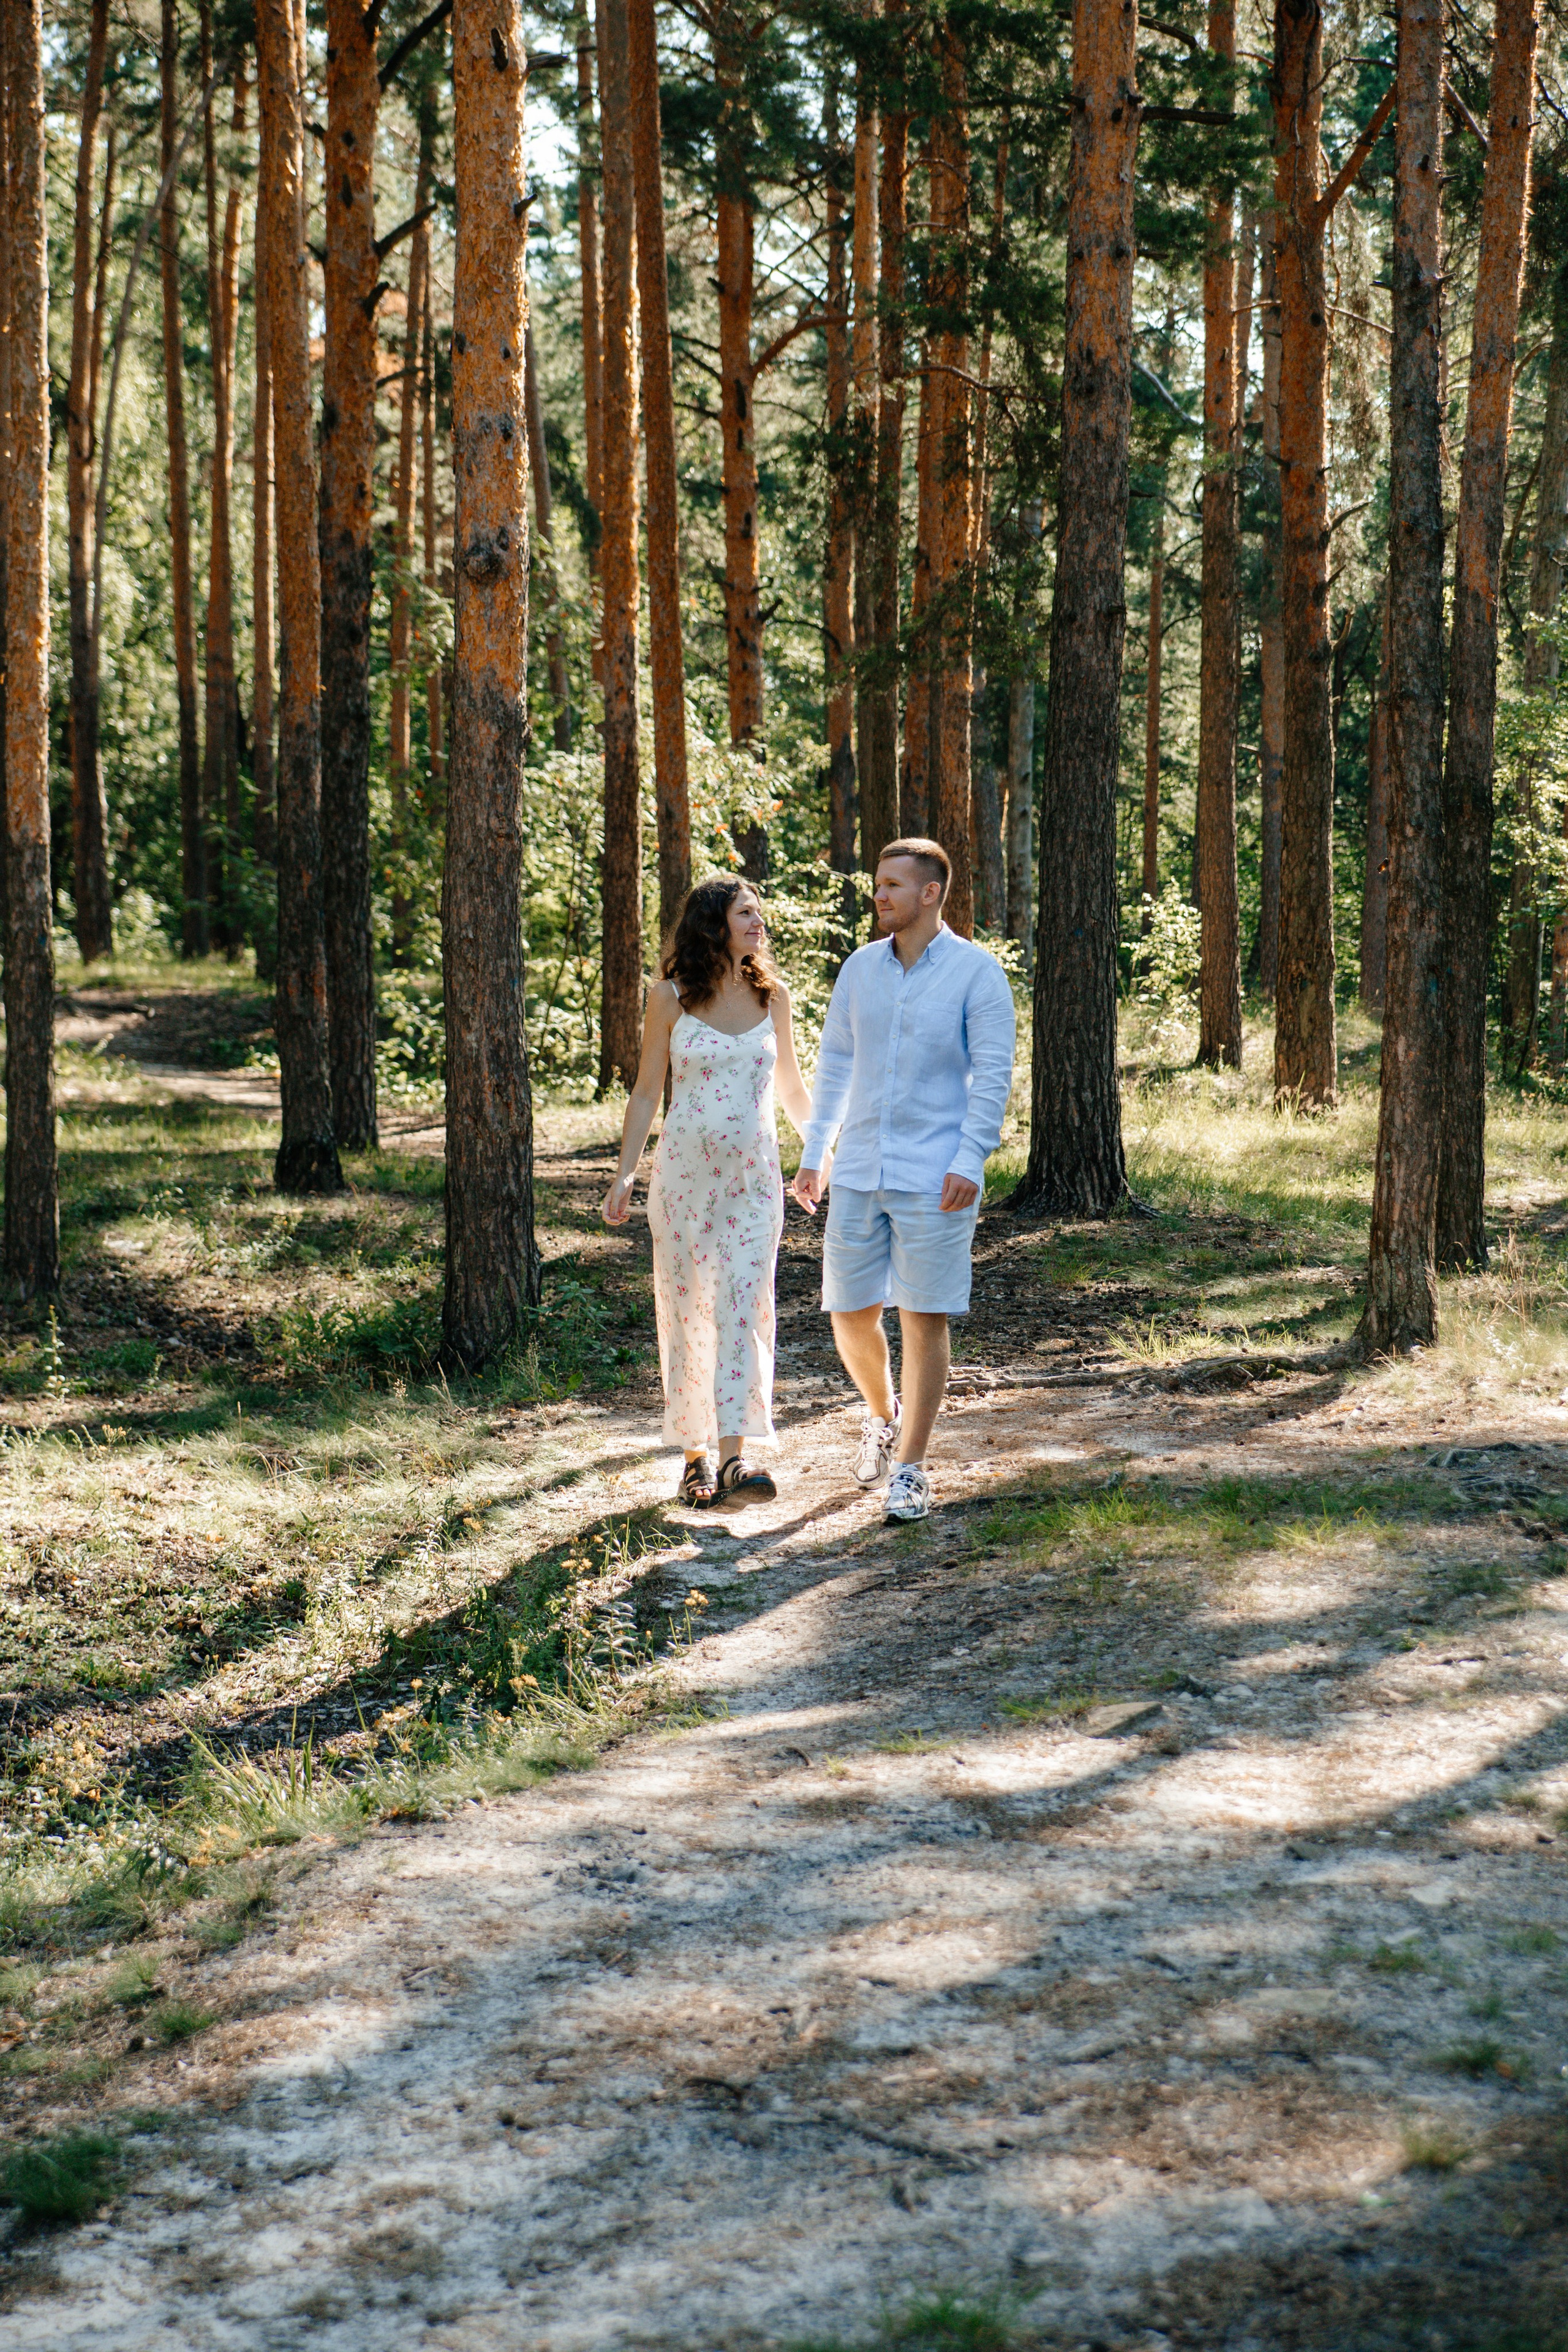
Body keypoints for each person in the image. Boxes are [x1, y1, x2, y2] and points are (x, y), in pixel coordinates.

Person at [792, 838, 1016, 1524]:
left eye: (891, 885)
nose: (879, 895)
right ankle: (882, 1417)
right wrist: (814, 1149)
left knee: (924, 1315)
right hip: (859, 1167)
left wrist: (968, 1159)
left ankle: (913, 1468)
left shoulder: (978, 976)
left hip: (934, 1173)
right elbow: (833, 1065)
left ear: (929, 893)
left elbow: (992, 1077)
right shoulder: (859, 971)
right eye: (876, 884)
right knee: (849, 1312)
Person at [603, 877, 816, 1507]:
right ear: (712, 924)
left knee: (745, 1309)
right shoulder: (667, 998)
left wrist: (823, 1152)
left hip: (753, 1184)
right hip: (683, 1184)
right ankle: (693, 1458)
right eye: (744, 912)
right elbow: (646, 1091)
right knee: (688, 1311)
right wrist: (624, 1172)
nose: (758, 921)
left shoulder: (772, 996)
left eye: (758, 911)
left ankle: (734, 1457)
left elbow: (794, 1091)